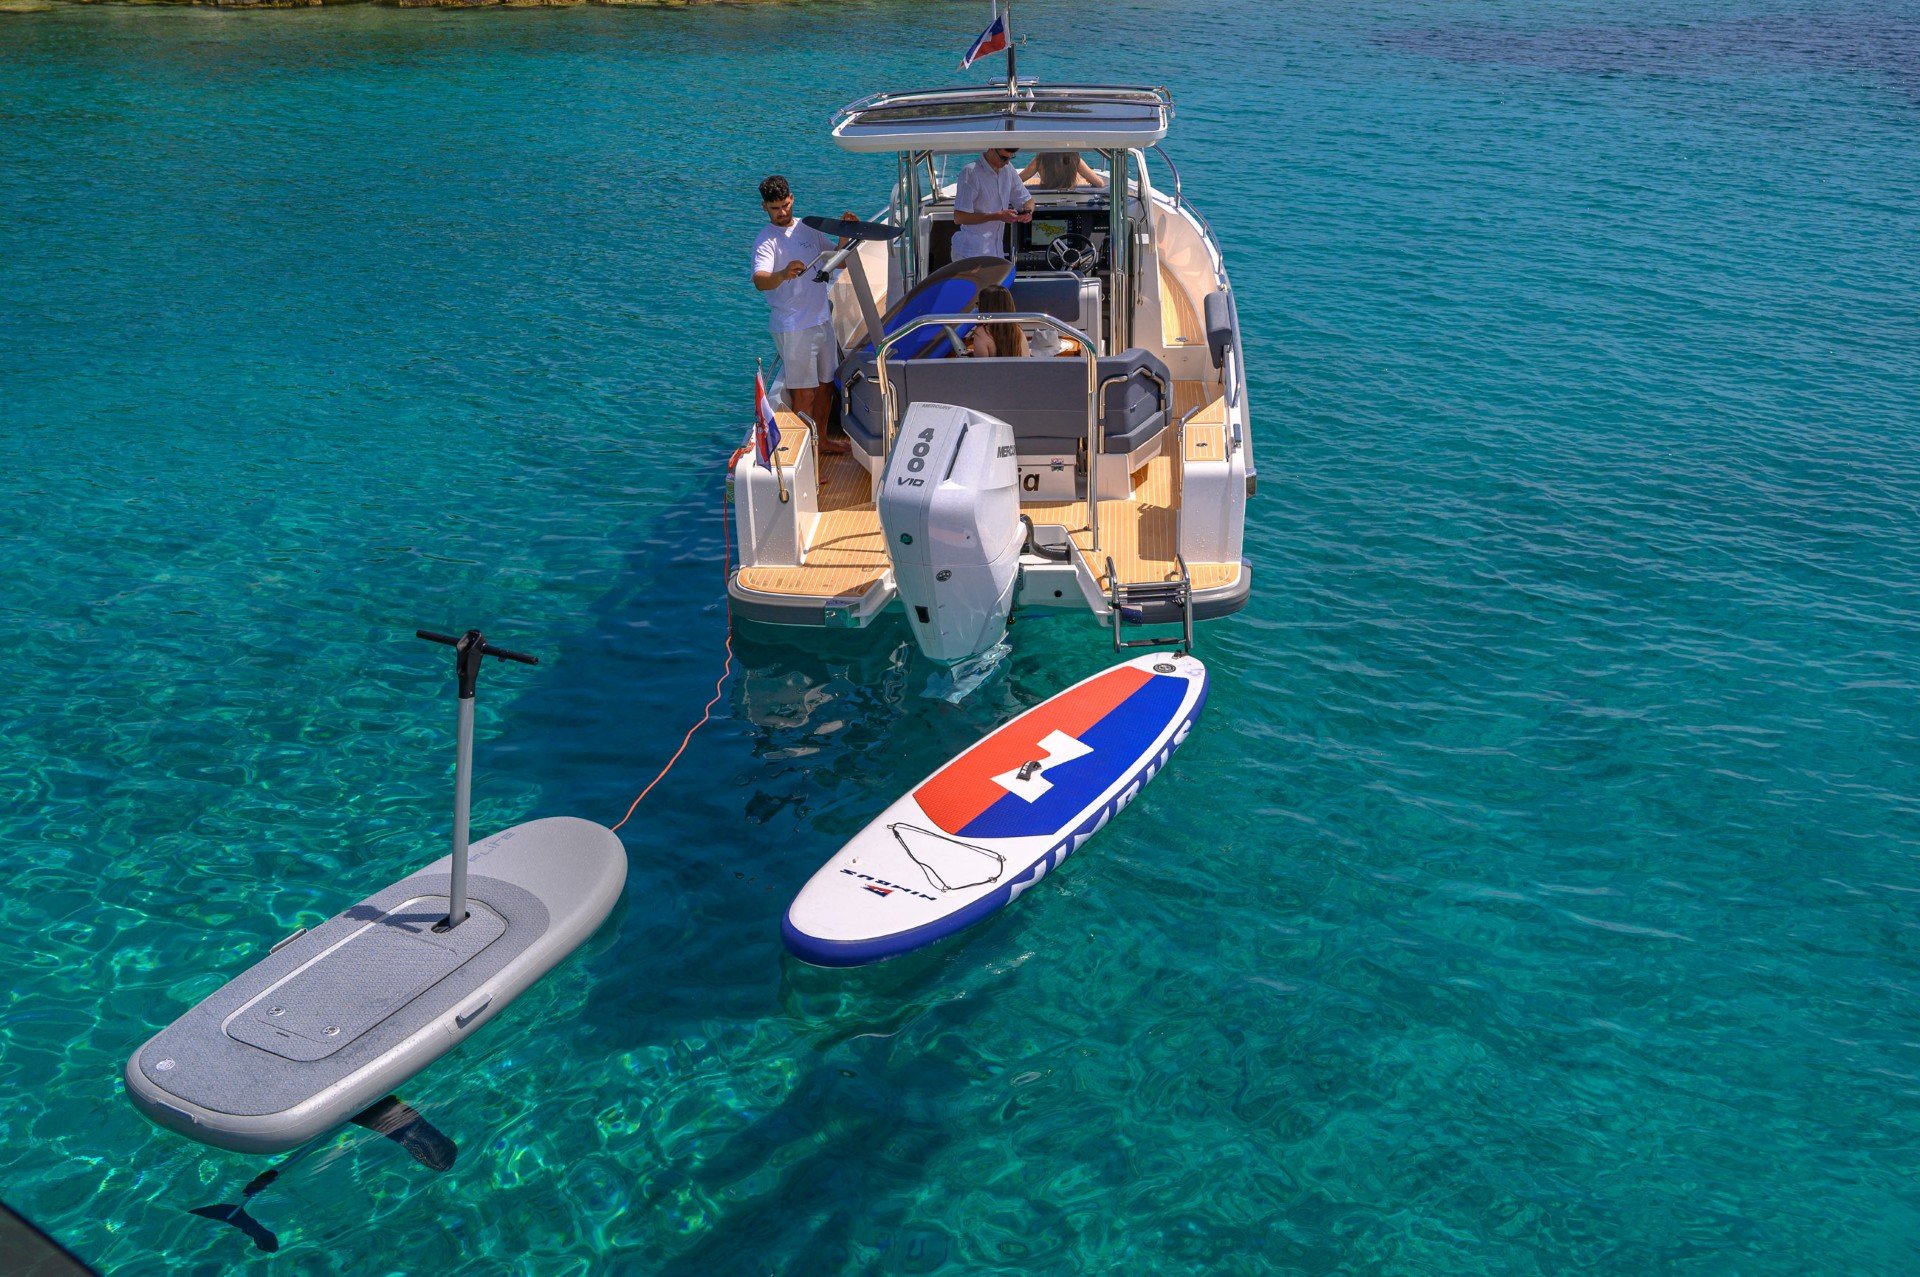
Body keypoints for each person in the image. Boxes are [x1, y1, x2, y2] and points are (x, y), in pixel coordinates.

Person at [751, 175, 856, 454]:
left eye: (785, 205)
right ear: (764, 207)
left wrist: (845, 233)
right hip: (794, 326)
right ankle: (805, 456)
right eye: (775, 208)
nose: (782, 212)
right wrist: (782, 274)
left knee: (826, 386)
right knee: (804, 393)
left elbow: (838, 260)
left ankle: (822, 442)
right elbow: (760, 280)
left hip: (821, 319)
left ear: (792, 198)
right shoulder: (766, 241)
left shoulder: (807, 228)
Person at [950, 147, 1033, 261]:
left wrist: (1027, 212)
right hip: (970, 253)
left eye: (1011, 158)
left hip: (996, 252)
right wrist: (997, 216)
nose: (1007, 162)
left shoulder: (1008, 169)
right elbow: (959, 217)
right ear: (991, 149)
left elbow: (1027, 200)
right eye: (1003, 158)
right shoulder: (970, 172)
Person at [968, 285, 1030, 359]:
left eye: (978, 304)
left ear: (984, 307)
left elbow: (980, 363)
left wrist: (973, 355)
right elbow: (1026, 361)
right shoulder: (1018, 332)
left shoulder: (981, 332)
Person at [1021, 151, 1106, 190]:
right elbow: (1100, 183)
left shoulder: (1041, 158)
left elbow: (1018, 181)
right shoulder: (1073, 156)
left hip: (1046, 194)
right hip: (1070, 198)